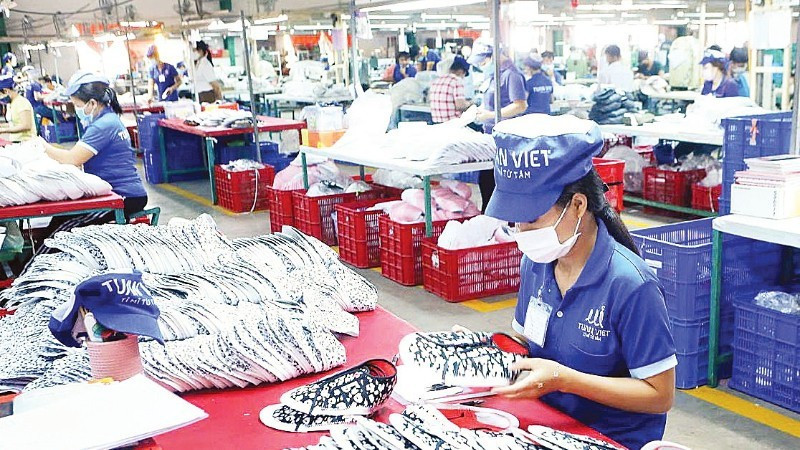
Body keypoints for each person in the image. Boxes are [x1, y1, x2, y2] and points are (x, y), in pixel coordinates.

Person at [485, 114, 676, 450]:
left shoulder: (632, 286)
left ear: (577, 205)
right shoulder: (536, 262)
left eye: (530, 219)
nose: (521, 233)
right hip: (546, 422)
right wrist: (486, 350)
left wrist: (565, 380)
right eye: (515, 220)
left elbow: (659, 396)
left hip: (607, 439)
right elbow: (525, 338)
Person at [34, 71, 148, 244]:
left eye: (76, 104)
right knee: (59, 222)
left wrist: (41, 145)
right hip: (116, 193)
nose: (76, 110)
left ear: (92, 103)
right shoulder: (107, 120)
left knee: (60, 232)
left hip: (123, 197)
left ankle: (37, 267)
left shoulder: (103, 125)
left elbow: (73, 159)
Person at [469, 42, 527, 211]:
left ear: (494, 56)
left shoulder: (512, 75)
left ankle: (500, 222)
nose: (481, 66)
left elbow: (520, 105)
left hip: (507, 139)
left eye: (483, 62)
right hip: (490, 136)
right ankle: (489, 221)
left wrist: (491, 115)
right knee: (486, 181)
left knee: (496, 183)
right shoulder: (494, 75)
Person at [429, 56, 472, 124]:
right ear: (461, 71)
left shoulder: (436, 81)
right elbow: (460, 106)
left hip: (437, 125)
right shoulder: (457, 80)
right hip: (453, 125)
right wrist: (471, 104)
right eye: (464, 75)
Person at [0, 75, 34, 142]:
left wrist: (4, 130)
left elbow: (26, 126)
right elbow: (14, 124)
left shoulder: (21, 103)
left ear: (6, 91)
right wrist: (2, 126)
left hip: (26, 142)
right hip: (16, 141)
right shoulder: (11, 104)